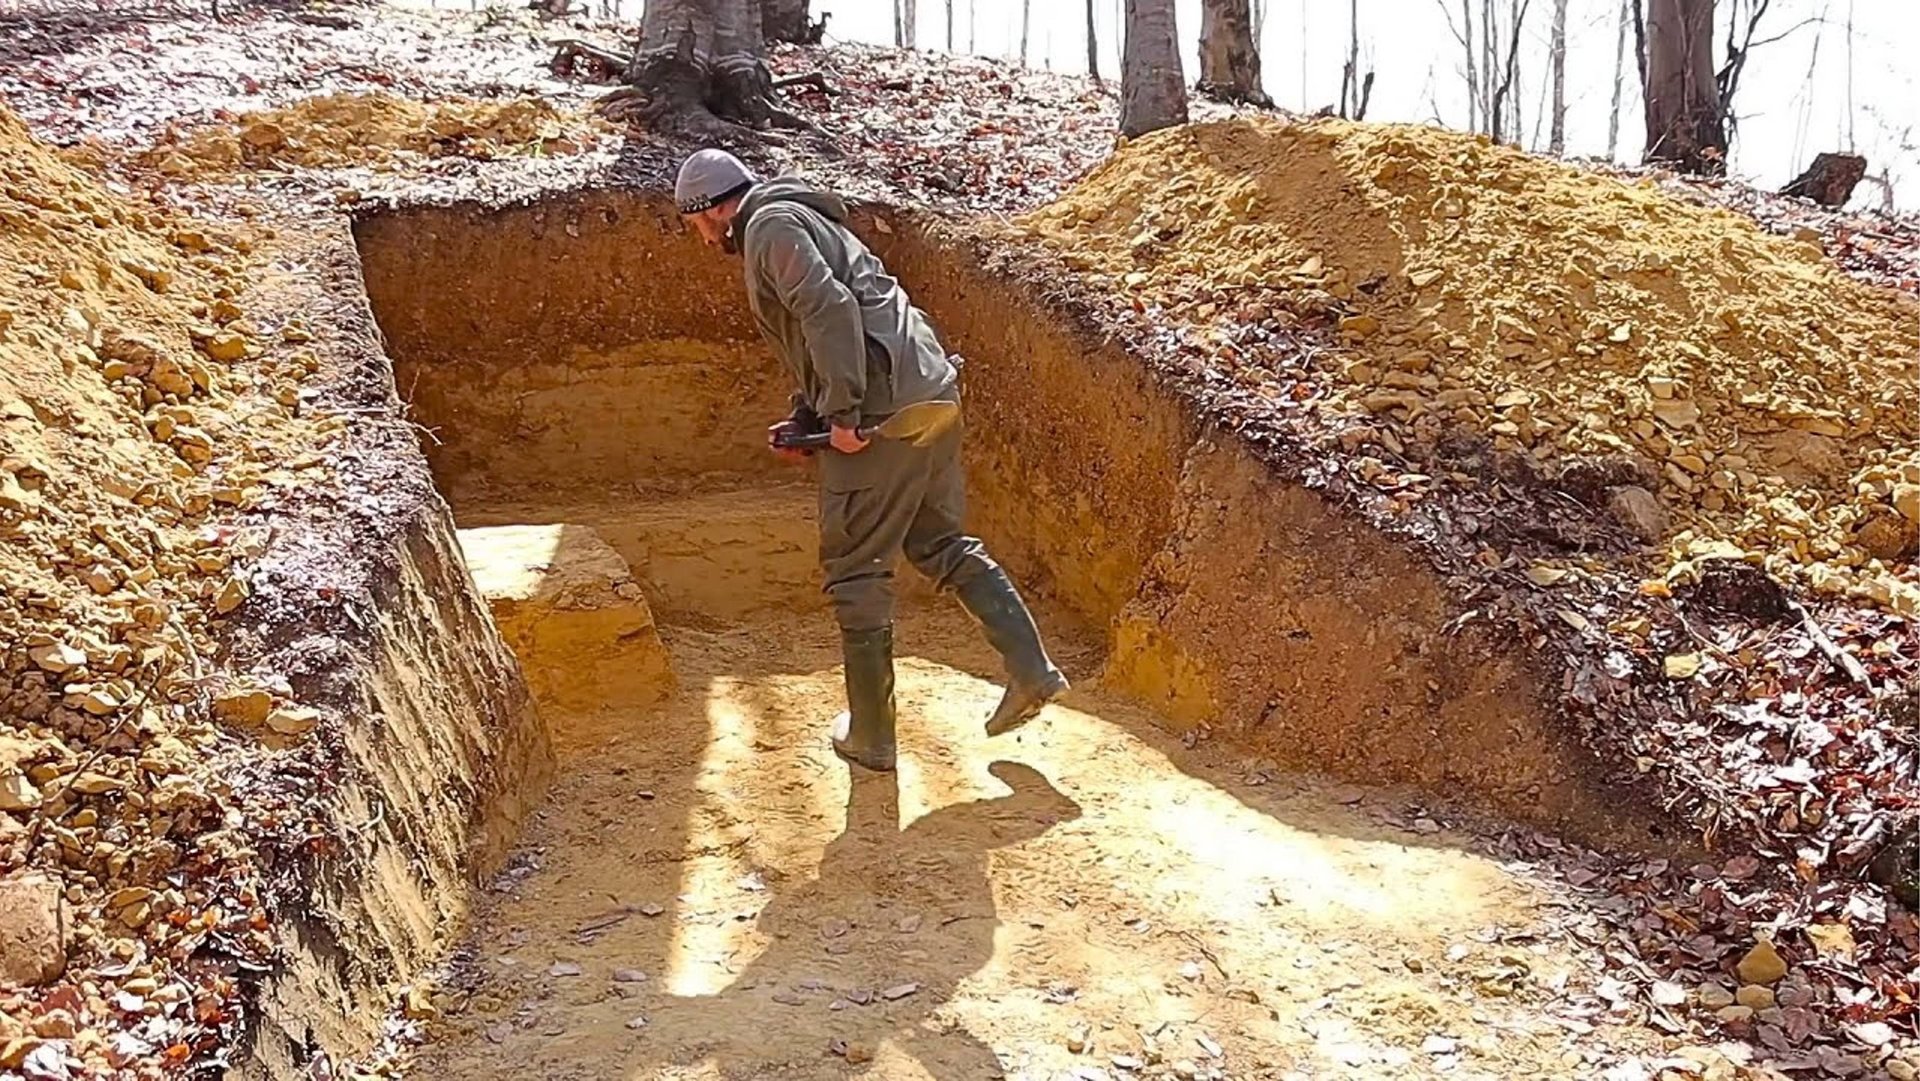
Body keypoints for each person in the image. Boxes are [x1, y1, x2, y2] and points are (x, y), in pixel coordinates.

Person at [674, 147, 1068, 773]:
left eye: (694, 223)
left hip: (881, 414)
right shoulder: (809, 217)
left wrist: (843, 414)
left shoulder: (769, 227)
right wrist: (810, 416)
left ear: (712, 210)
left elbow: (828, 310)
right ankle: (1031, 669)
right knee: (940, 543)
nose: (699, 238)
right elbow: (851, 319)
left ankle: (871, 735)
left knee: (856, 566)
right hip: (930, 395)